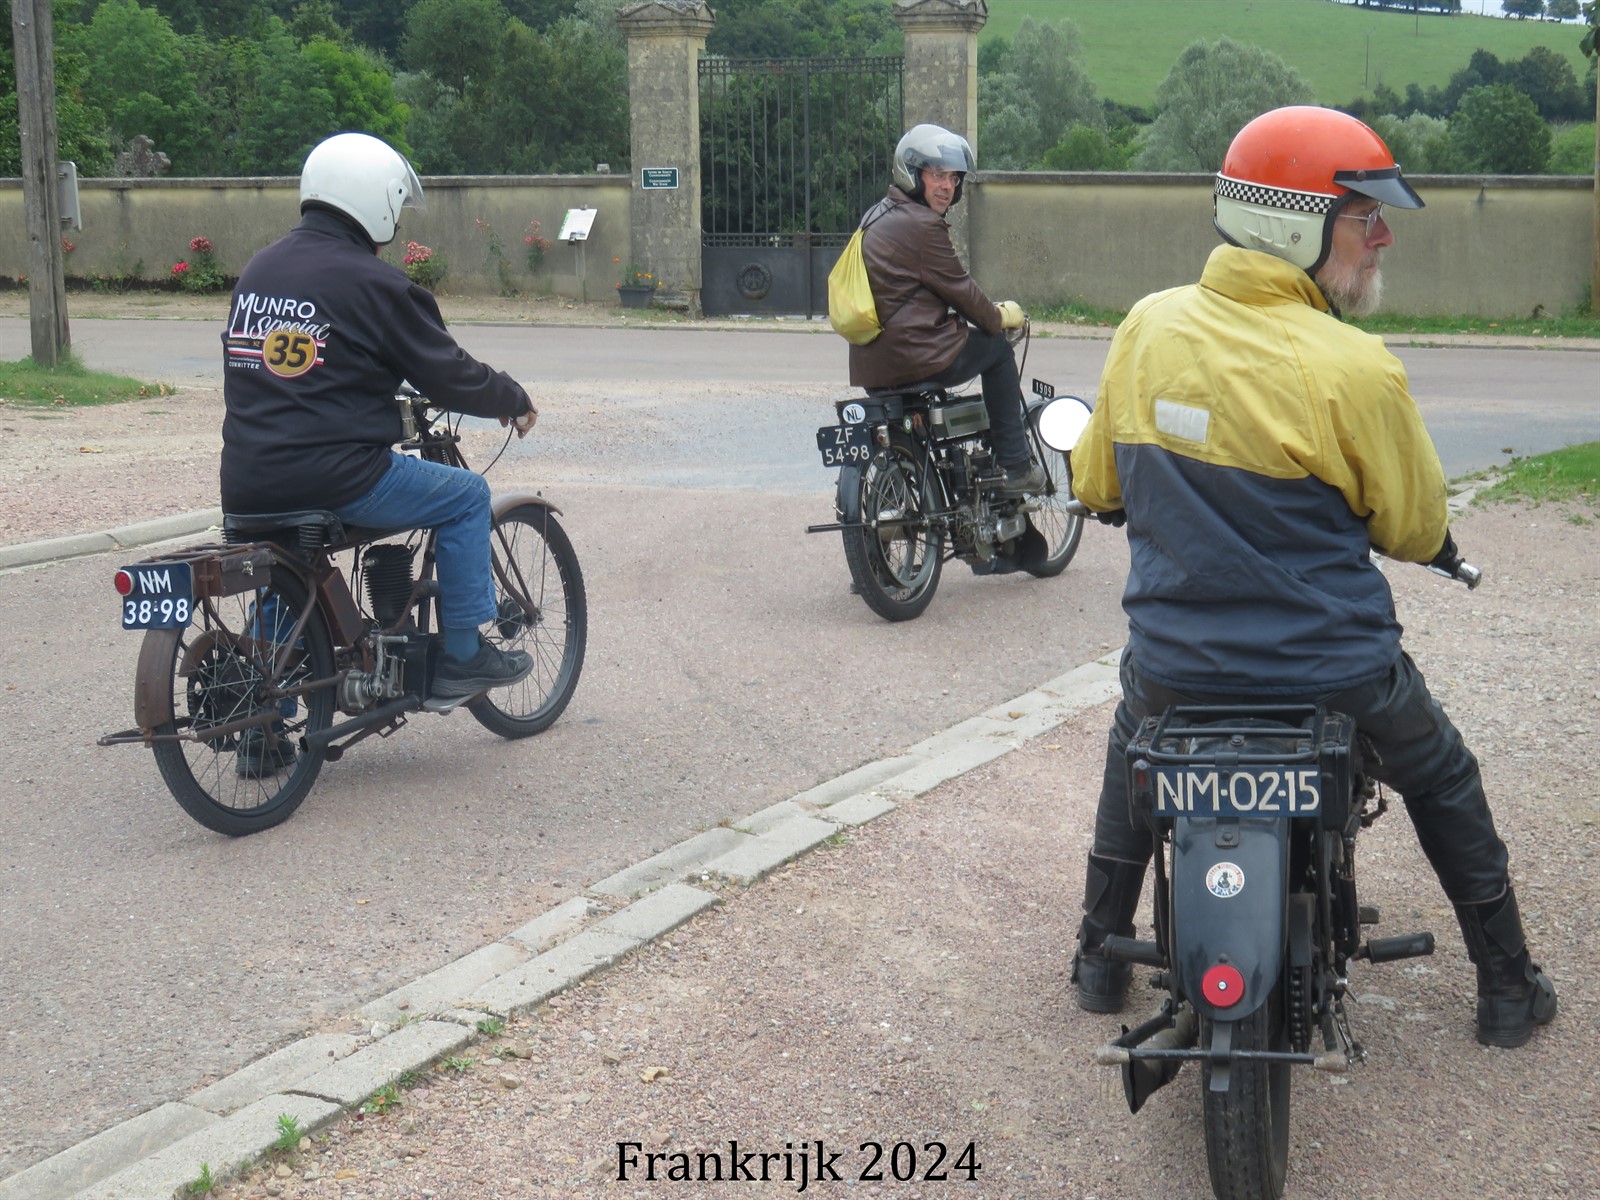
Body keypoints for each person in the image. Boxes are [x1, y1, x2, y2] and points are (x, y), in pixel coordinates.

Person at [1066, 106, 1557, 1049]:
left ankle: (1097, 960)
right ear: (1292, 225)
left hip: (1177, 665)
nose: (1384, 237)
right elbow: (1413, 528)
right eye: (1366, 217)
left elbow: (1095, 485)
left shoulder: (1147, 328)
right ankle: (1507, 985)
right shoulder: (1356, 366)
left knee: (1134, 750)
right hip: (1337, 672)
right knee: (1441, 775)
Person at [221, 132, 538, 743]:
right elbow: (448, 374)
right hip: (337, 476)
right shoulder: (374, 283)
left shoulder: (259, 270)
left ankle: (262, 729)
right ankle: (464, 656)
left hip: (246, 479)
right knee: (466, 495)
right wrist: (510, 397)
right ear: (378, 201)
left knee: (288, 563)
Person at [849, 123, 1043, 496]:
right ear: (912, 173)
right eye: (938, 175)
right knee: (997, 350)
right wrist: (1000, 316)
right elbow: (963, 293)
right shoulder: (922, 226)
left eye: (954, 178)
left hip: (871, 364)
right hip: (918, 356)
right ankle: (1016, 466)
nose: (948, 186)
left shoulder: (874, 217)